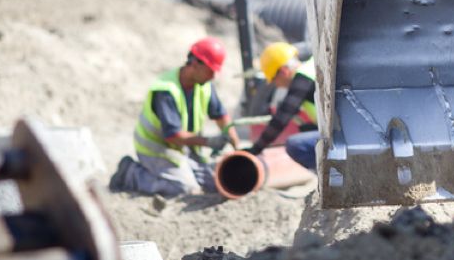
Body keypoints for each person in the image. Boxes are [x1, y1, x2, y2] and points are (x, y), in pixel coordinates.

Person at [110, 37, 241, 196]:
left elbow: (221, 116)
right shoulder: (166, 91)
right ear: (195, 64)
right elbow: (173, 135)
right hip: (156, 149)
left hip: (182, 148)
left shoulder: (203, 85)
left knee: (215, 183)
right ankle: (131, 174)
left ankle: (182, 170)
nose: (213, 76)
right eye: (211, 70)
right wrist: (209, 142)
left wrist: (236, 146)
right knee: (185, 189)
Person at [245, 42, 318, 171]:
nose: (276, 85)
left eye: (274, 79)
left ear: (284, 71)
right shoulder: (313, 67)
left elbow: (282, 117)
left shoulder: (303, 78)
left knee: (295, 145)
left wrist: (256, 149)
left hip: (345, 134)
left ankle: (331, 181)